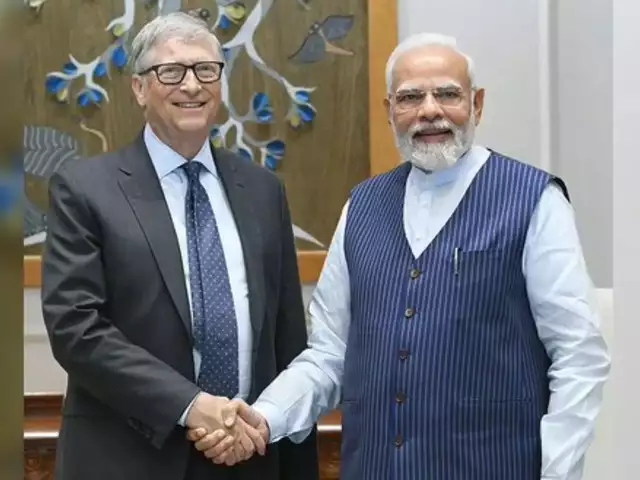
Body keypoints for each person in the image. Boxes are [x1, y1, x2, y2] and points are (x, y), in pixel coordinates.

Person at [192, 33, 612, 479]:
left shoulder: (534, 199)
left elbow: (578, 355)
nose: (429, 110)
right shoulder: (361, 206)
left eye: (447, 94)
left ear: (477, 104)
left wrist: (558, 472)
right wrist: (265, 417)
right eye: (411, 97)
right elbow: (330, 353)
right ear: (390, 109)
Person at [41, 12, 318, 480]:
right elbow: (76, 328)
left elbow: (287, 334)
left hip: (247, 455)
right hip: (130, 458)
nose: (192, 85)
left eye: (206, 69)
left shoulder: (262, 190)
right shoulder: (85, 189)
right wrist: (191, 405)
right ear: (139, 88)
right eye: (171, 71)